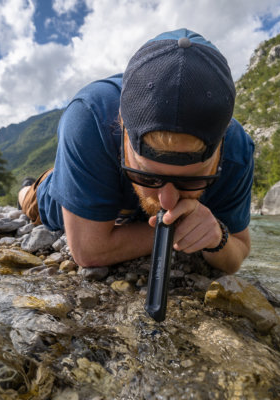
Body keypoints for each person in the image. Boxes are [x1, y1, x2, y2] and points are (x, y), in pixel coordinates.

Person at [19, 28, 254, 274]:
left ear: (221, 150)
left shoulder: (237, 150)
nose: (168, 200)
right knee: (32, 201)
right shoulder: (90, 117)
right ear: (120, 128)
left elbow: (239, 250)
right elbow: (89, 251)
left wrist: (218, 238)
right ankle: (30, 186)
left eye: (192, 180)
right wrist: (177, 230)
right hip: (81, 186)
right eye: (146, 176)